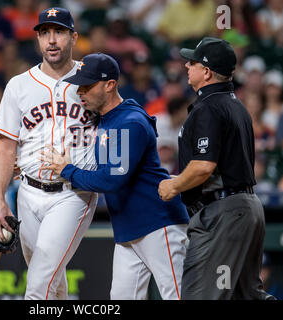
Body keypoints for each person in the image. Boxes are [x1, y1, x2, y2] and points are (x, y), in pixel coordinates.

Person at [41, 53, 189, 300]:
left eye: (88, 85)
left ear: (110, 85)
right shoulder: (109, 118)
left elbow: (111, 180)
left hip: (158, 222)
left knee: (178, 296)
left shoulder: (129, 122)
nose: (81, 92)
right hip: (129, 229)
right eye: (80, 85)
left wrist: (67, 170)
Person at [0, 7, 99, 300]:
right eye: (44, 33)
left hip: (73, 193)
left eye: (59, 32)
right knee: (52, 280)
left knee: (39, 283)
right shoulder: (18, 85)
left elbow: (120, 125)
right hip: (27, 193)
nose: (51, 40)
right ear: (37, 39)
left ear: (74, 37)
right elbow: (5, 147)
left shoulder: (92, 78)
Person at [158, 37, 274, 300]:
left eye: (194, 62)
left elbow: (203, 166)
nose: (187, 66)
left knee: (204, 296)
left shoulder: (209, 107)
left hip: (223, 214)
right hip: (245, 208)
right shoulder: (236, 105)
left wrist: (174, 185)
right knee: (247, 295)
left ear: (207, 72)